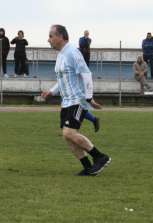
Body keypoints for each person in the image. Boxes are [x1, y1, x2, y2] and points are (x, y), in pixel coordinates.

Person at [42, 25, 111, 176]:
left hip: (77, 100)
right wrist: (51, 92)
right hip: (66, 102)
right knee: (68, 137)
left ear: (60, 36)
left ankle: (100, 157)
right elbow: (62, 79)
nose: (49, 40)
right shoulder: (60, 55)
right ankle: (87, 167)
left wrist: (88, 98)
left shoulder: (73, 52)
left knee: (69, 133)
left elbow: (86, 74)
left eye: (51, 36)